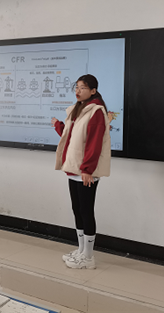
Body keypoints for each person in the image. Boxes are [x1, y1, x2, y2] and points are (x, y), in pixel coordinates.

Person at [51, 74, 111, 270]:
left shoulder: (96, 111)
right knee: (77, 209)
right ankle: (81, 250)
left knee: (86, 211)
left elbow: (94, 143)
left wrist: (87, 169)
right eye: (76, 87)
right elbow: (71, 136)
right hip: (74, 168)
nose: (77, 91)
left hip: (85, 171)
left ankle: (89, 257)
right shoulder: (79, 109)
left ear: (93, 91)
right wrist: (58, 125)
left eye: (82, 88)